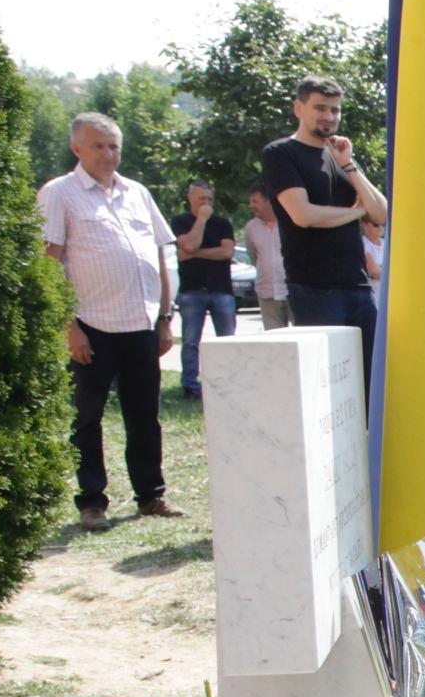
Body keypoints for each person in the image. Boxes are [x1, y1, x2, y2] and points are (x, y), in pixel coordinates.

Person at [38, 113, 181, 532]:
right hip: (91, 325)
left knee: (144, 416)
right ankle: (92, 501)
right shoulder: (59, 194)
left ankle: (151, 495)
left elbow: (158, 257)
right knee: (87, 418)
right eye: (97, 146)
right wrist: (69, 328)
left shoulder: (137, 192)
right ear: (76, 149)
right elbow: (49, 264)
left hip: (139, 323)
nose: (107, 154)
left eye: (113, 145)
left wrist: (164, 318)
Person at [262, 75, 389, 390]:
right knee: (332, 390)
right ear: (298, 108)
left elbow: (383, 213)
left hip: (358, 287)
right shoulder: (281, 153)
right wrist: (356, 212)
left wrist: (349, 166)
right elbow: (303, 215)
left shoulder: (340, 156)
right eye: (320, 108)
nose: (329, 117)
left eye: (335, 110)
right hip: (314, 290)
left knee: (374, 386)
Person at [168, 180, 237, 401]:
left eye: (209, 200)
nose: (206, 204)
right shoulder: (180, 222)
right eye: (201, 199)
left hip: (221, 290)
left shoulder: (223, 223)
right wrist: (201, 220)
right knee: (190, 341)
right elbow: (186, 246)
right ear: (190, 199)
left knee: (227, 340)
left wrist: (195, 252)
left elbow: (226, 252)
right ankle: (190, 385)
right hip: (192, 291)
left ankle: (228, 382)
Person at [242, 185, 290, 330]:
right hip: (266, 291)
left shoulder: (290, 222)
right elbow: (254, 255)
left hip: (292, 289)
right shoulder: (251, 228)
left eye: (255, 201)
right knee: (273, 339)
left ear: (268, 201)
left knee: (302, 335)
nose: (251, 205)